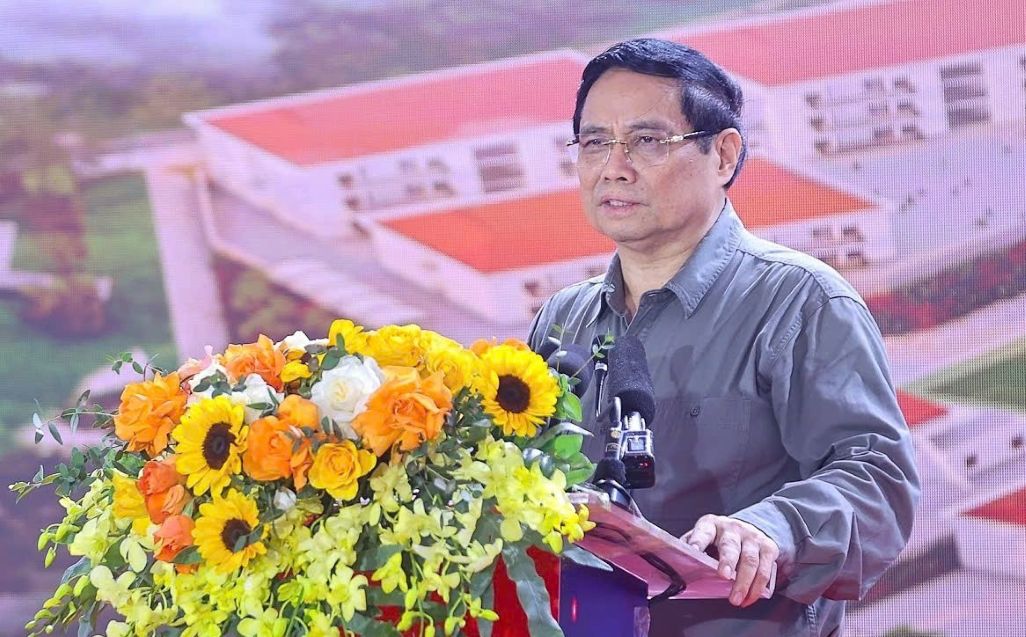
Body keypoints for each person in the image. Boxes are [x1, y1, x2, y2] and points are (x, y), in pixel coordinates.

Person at [527, 39, 920, 636]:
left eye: (647, 140)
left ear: (724, 155)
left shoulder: (800, 301)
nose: (615, 165)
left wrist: (771, 529)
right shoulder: (564, 317)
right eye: (594, 142)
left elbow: (877, 481)